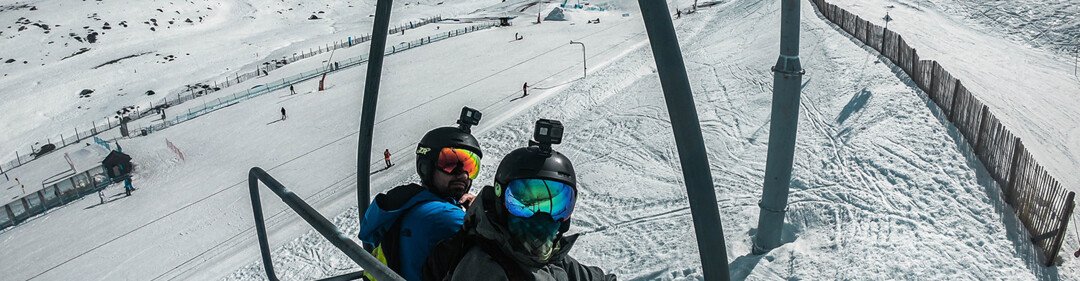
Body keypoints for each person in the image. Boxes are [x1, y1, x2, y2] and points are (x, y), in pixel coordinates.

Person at [424, 119, 615, 281]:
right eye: (525, 204)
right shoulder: (485, 270)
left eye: (556, 206)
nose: (540, 218)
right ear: (501, 203)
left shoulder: (548, 253)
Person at [360, 108, 485, 281]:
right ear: (426, 166)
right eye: (450, 163)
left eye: (470, 167)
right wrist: (482, 212)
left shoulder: (408, 203)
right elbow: (505, 250)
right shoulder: (442, 216)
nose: (463, 174)